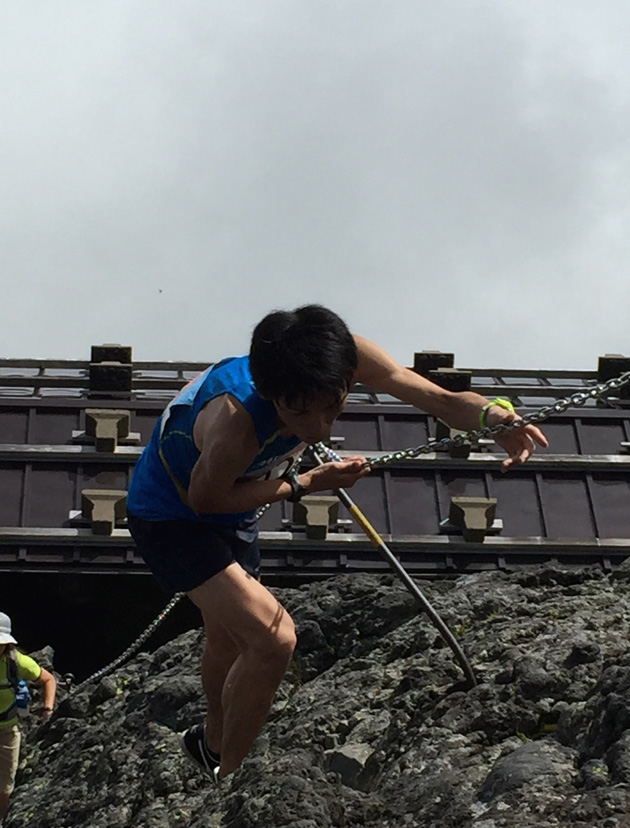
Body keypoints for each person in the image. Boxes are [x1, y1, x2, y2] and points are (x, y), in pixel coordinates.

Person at [127, 304, 547, 781]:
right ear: (270, 394)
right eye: (298, 411)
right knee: (273, 639)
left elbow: (442, 400)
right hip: (171, 515)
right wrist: (307, 482)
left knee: (228, 635)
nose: (318, 425)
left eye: (331, 404)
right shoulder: (236, 424)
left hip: (239, 500)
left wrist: (497, 417)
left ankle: (211, 743)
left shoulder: (342, 356)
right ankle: (232, 778)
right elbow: (207, 500)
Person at [0, 612, 56, 824]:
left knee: (5, 786)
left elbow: (48, 679)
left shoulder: (18, 663)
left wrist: (47, 708)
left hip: (7, 731)